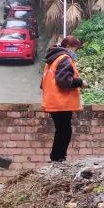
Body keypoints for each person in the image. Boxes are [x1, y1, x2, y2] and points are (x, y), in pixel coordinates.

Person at [41, 35, 85, 163]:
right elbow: (64, 81)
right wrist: (81, 82)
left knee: (61, 130)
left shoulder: (52, 59)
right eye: (75, 49)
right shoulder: (65, 58)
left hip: (52, 101)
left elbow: (43, 83)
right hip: (61, 102)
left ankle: (56, 157)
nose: (75, 52)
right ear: (69, 47)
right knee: (65, 131)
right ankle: (58, 158)